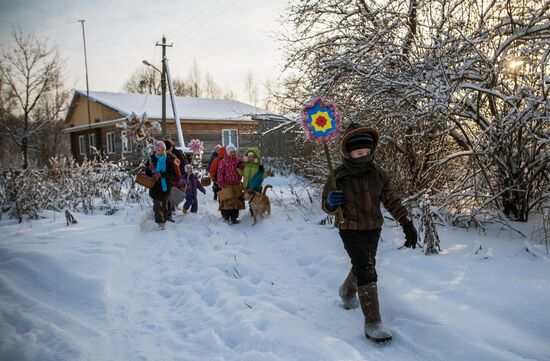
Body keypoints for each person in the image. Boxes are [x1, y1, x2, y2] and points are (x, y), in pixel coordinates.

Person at [321, 123, 418, 343]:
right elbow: (325, 205)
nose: (363, 156)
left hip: (373, 228)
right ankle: (373, 323)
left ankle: (346, 291)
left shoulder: (378, 174)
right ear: (349, 152)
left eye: (366, 152)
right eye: (358, 153)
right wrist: (330, 202)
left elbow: (392, 200)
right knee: (366, 270)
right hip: (349, 228)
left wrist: (406, 222)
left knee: (365, 265)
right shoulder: (339, 176)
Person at [145, 141, 177, 229]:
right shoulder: (151, 159)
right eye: (158, 150)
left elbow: (172, 173)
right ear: (155, 150)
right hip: (155, 185)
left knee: (164, 203)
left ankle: (164, 216)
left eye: (162, 150)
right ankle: (160, 222)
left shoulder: (169, 159)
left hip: (165, 185)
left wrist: (161, 175)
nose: (160, 151)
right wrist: (149, 169)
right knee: (156, 204)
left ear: (165, 149)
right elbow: (147, 174)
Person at [216, 143, 245, 224]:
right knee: (227, 201)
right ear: (228, 153)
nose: (233, 153)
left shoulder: (238, 160)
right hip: (226, 185)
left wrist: (243, 166)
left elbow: (243, 168)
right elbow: (220, 173)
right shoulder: (223, 161)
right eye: (231, 152)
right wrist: (220, 183)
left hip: (236, 184)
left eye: (234, 152)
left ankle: (234, 218)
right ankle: (226, 217)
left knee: (236, 201)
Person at [237, 147, 270, 216]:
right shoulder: (246, 165)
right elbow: (242, 173)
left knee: (258, 199)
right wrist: (238, 168)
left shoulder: (258, 165)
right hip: (248, 186)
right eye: (249, 157)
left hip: (257, 186)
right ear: (247, 157)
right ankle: (252, 211)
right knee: (250, 199)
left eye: (252, 156)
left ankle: (260, 212)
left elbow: (262, 175)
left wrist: (266, 173)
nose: (251, 158)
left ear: (255, 157)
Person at [163, 139, 181, 222]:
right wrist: (179, 177)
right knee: (169, 197)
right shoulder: (172, 157)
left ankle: (164, 212)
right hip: (170, 180)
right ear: (170, 148)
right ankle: (169, 213)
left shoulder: (157, 155)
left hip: (160, 179)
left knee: (163, 197)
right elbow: (176, 169)